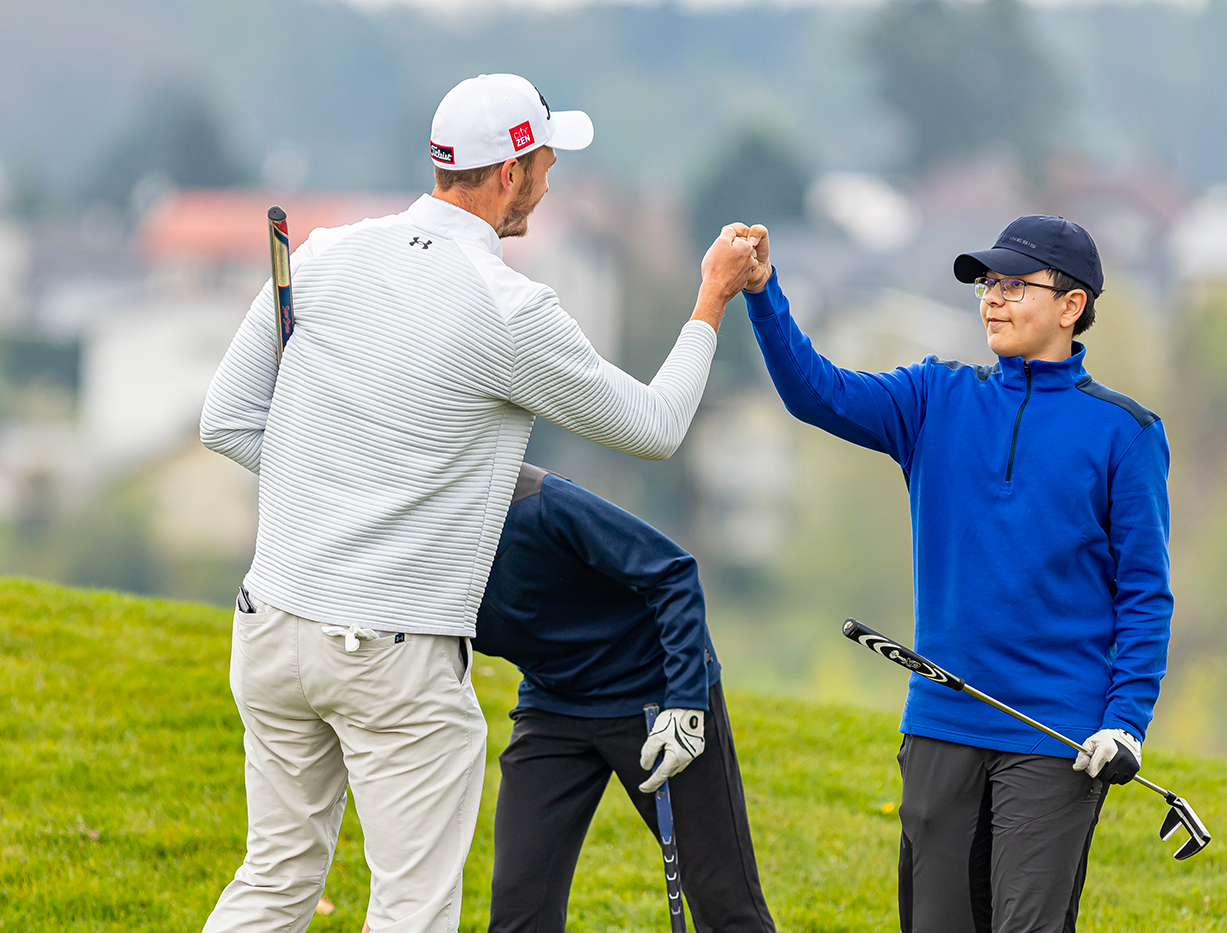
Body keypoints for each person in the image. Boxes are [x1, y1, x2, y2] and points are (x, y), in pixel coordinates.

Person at [198, 73, 758, 933]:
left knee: (273, 880)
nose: (549, 178)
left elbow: (228, 421)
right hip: (390, 648)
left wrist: (340, 487)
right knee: (412, 909)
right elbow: (654, 425)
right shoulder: (511, 309)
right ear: (511, 174)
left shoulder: (321, 253)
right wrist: (711, 298)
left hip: (268, 623)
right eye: (545, 161)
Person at [736, 216, 1171, 933]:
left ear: (1071, 305)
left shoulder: (1126, 433)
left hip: (1056, 736)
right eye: (987, 285)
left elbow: (1145, 595)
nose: (992, 299)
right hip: (941, 722)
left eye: (1014, 285)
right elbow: (816, 392)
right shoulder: (933, 397)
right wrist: (763, 291)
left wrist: (1125, 721)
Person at [468, 462, 775, 933]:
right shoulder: (405, 552)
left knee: (725, 907)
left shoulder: (538, 503)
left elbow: (674, 573)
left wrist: (687, 703)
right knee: (518, 913)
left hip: (657, 698)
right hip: (551, 705)